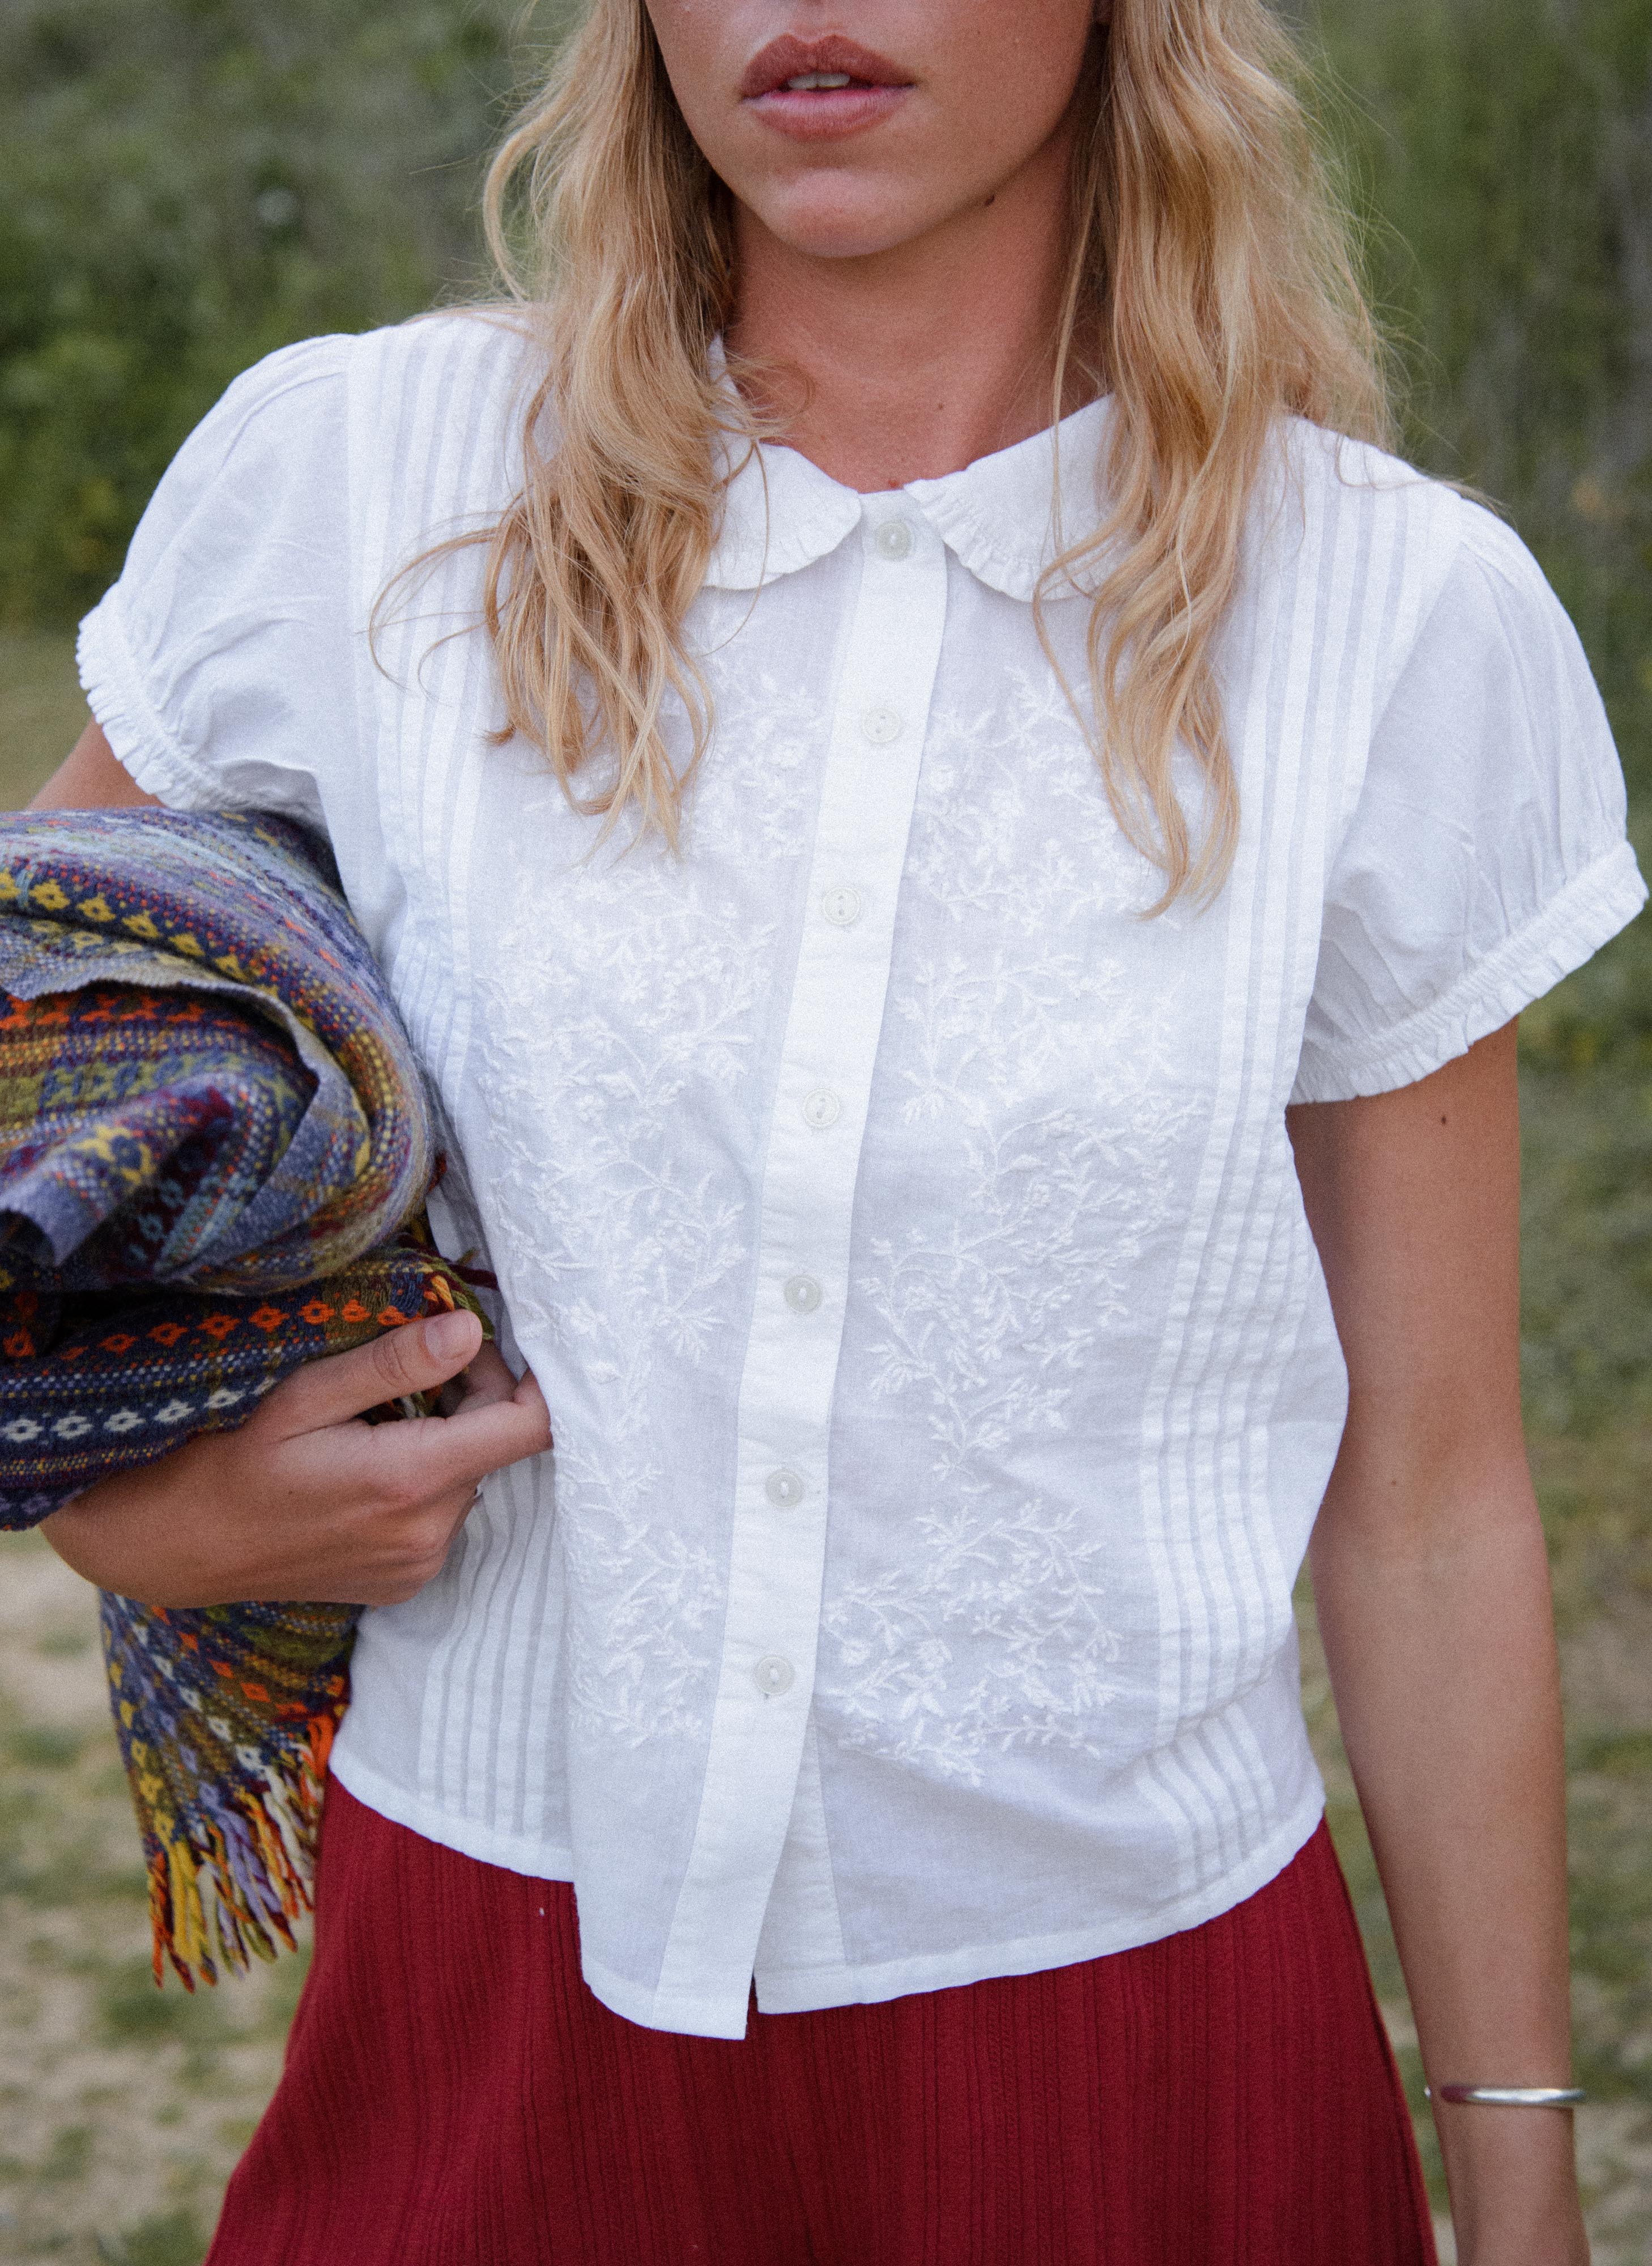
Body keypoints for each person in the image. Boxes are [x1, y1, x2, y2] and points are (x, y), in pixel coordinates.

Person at [30, 2, 1642, 2260]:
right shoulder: (364, 482)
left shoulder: (1391, 618)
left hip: (1144, 2053)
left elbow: (1437, 1497)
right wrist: (131, 1506)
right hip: (487, 2012)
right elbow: (34, 1090)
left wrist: (1525, 2171)